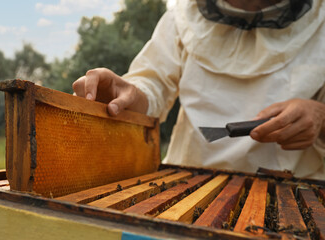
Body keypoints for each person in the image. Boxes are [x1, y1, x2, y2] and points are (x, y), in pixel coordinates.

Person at [73, 0, 325, 179]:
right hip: (186, 180)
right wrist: (127, 95)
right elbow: (152, 87)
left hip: (291, 189)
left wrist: (320, 116)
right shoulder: (181, 16)